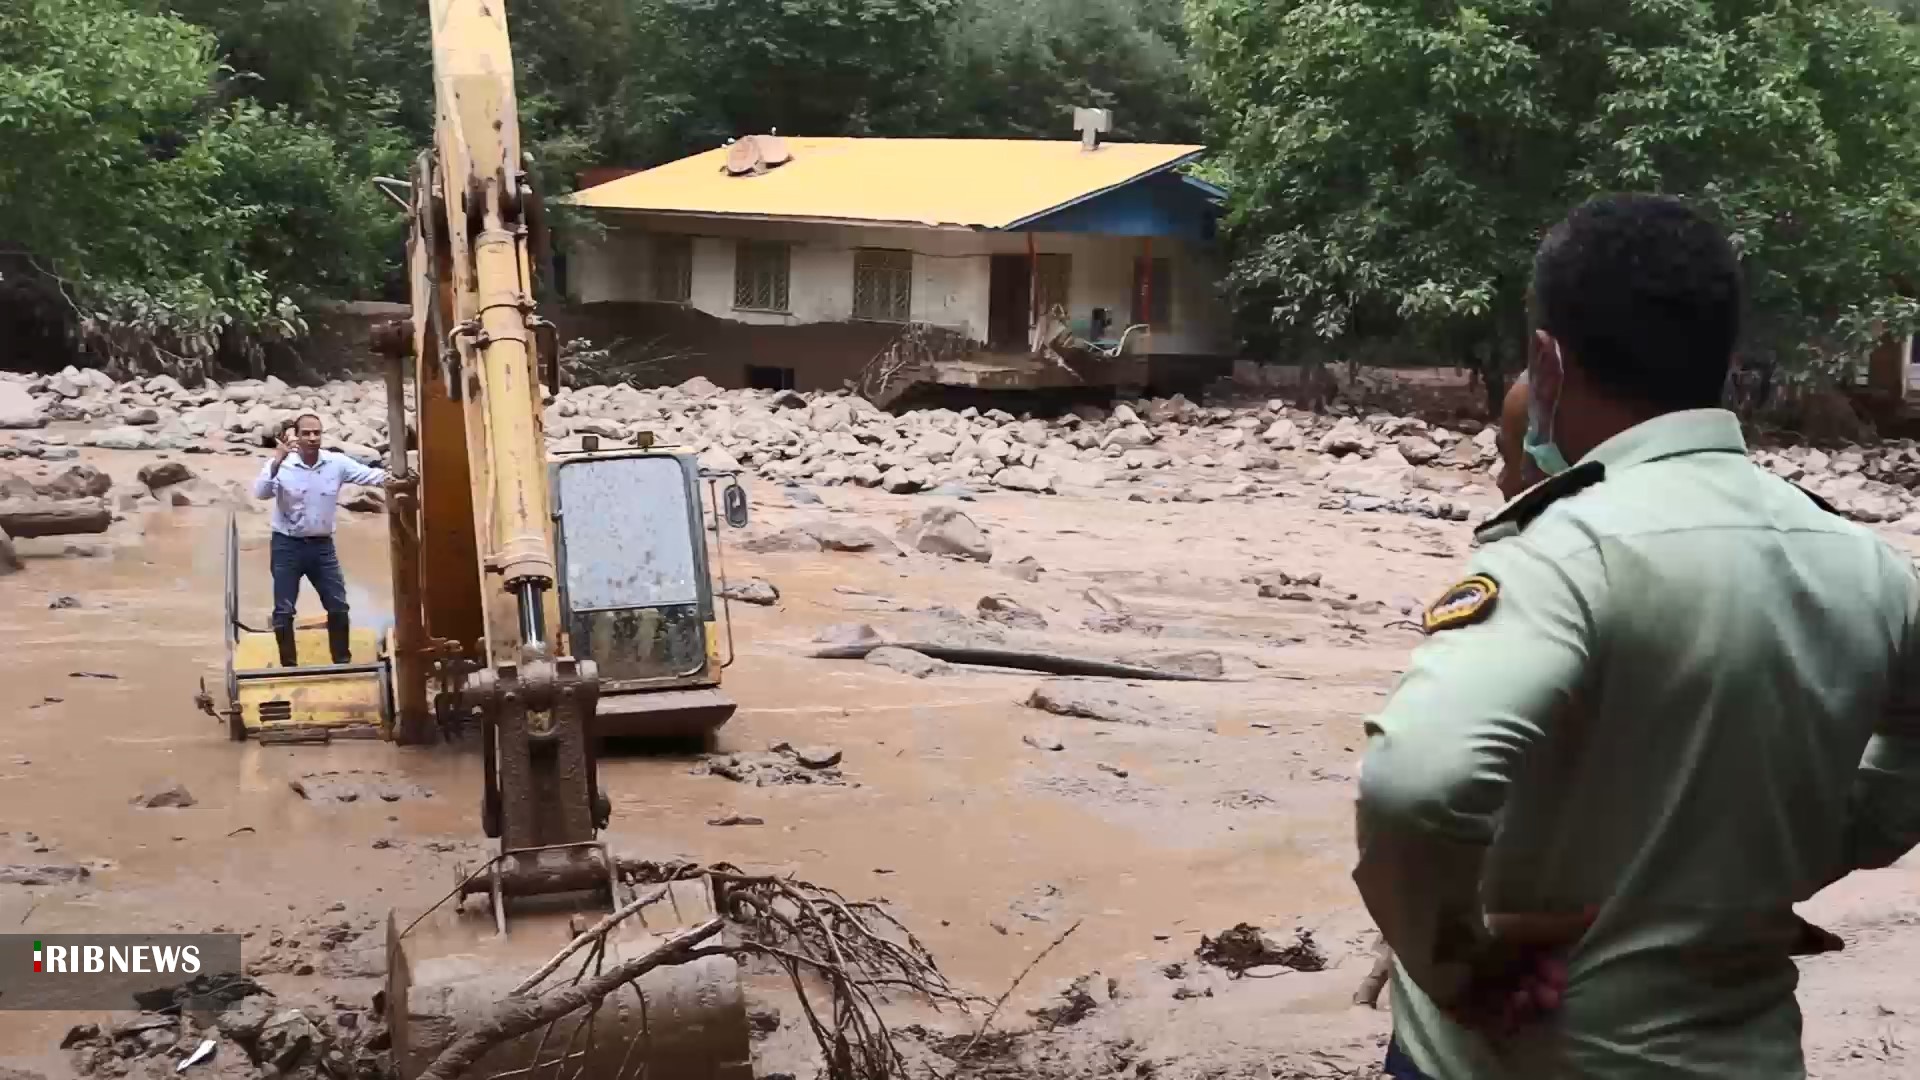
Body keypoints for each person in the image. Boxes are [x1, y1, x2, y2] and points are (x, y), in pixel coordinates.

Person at [1353, 193, 1920, 1080]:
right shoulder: (1866, 565)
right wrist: (1816, 842)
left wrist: (1456, 962)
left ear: (1547, 361)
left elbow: (1417, 786)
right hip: (1746, 1053)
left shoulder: (1563, 552)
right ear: (1725, 361)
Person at [252, 412, 393, 667]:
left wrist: (402, 476)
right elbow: (260, 493)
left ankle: (342, 662)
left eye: (317, 433)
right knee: (284, 611)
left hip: (322, 547)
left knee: (338, 606)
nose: (313, 438)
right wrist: (276, 460)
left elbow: (372, 476)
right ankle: (288, 666)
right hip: (287, 545)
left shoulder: (335, 463)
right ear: (296, 436)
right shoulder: (282, 465)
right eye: (306, 433)